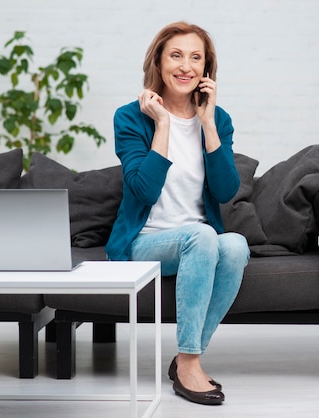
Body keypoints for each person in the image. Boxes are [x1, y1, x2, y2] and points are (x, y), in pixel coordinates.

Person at [105, 21, 249, 406]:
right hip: (145, 243)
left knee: (234, 245)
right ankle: (190, 366)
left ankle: (187, 359)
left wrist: (207, 123)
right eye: (176, 55)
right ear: (158, 61)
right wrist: (164, 123)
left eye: (196, 57)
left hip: (195, 242)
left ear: (206, 70)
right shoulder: (130, 117)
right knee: (201, 235)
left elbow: (226, 191)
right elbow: (144, 189)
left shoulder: (218, 120)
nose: (185, 66)